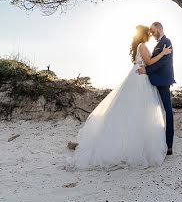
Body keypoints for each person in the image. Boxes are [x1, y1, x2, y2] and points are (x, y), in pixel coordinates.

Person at [71, 25, 172, 169]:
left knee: (134, 111)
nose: (150, 35)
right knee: (139, 110)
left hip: (138, 75)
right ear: (144, 34)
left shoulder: (140, 45)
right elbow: (149, 62)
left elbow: (147, 63)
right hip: (140, 78)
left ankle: (135, 142)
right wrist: (163, 53)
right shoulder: (143, 46)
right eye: (148, 33)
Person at [137, 20, 175, 154]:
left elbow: (162, 63)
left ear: (159, 28)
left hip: (163, 82)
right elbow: (151, 61)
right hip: (154, 82)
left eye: (153, 30)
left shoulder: (167, 41)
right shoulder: (157, 45)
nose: (151, 33)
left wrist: (146, 70)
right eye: (151, 31)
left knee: (168, 111)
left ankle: (169, 145)